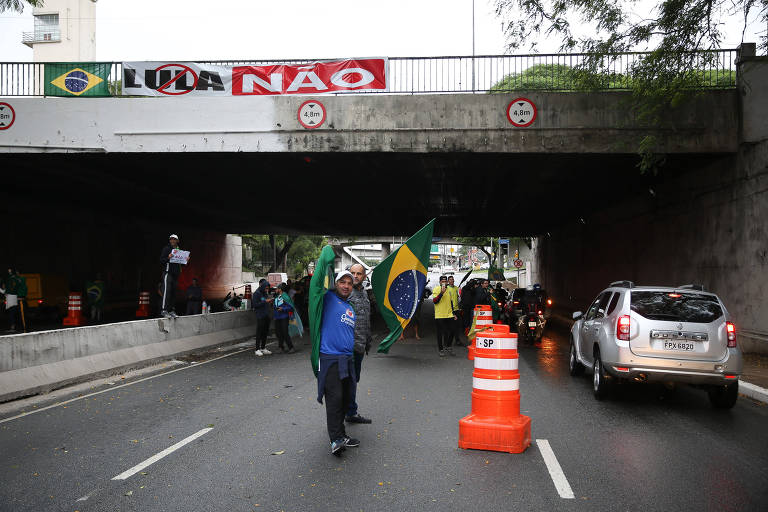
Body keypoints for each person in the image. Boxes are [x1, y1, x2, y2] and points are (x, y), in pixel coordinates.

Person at [316, 271, 359, 455]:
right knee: (334, 399)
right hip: (330, 358)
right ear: (336, 283)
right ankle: (335, 439)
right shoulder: (328, 299)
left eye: (349, 283)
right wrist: (327, 258)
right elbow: (316, 285)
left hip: (347, 359)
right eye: (342, 282)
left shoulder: (350, 307)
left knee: (346, 398)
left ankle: (341, 434)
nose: (346, 286)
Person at [345, 263, 373, 424]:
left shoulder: (363, 294)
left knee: (353, 380)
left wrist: (368, 340)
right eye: (352, 273)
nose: (355, 276)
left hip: (361, 346)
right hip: (348, 347)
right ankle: (348, 412)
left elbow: (366, 319)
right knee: (348, 381)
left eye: (359, 274)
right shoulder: (345, 293)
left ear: (364, 277)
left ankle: (350, 411)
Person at [432, 275, 457, 356]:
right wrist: (441, 293)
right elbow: (435, 301)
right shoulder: (436, 289)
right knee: (440, 333)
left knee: (453, 330)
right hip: (440, 315)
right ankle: (441, 349)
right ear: (440, 282)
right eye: (442, 281)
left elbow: (451, 302)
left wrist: (454, 313)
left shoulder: (449, 289)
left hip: (449, 314)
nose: (444, 283)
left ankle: (448, 345)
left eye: (445, 281)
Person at [159, 234, 182, 318]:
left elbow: (181, 264)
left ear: (177, 241)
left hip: (176, 274)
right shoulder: (166, 249)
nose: (172, 241)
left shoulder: (179, 250)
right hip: (168, 273)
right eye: (171, 239)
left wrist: (186, 260)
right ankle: (164, 310)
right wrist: (168, 257)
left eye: (174, 239)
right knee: (166, 291)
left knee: (173, 293)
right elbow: (161, 260)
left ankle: (171, 310)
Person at [252, 279, 273, 356]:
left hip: (266, 315)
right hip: (260, 315)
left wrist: (269, 302)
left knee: (265, 332)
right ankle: (257, 349)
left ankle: (263, 347)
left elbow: (265, 301)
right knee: (259, 333)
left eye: (268, 288)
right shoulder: (256, 294)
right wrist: (265, 301)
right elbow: (255, 305)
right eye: (266, 288)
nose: (267, 290)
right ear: (263, 286)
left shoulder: (264, 293)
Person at [273, 283, 295, 353]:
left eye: (276, 288)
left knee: (285, 332)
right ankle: (281, 347)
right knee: (278, 333)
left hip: (284, 317)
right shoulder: (277, 296)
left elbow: (291, 307)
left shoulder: (285, 296)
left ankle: (291, 347)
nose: (275, 290)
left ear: (280, 289)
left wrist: (283, 308)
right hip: (277, 317)